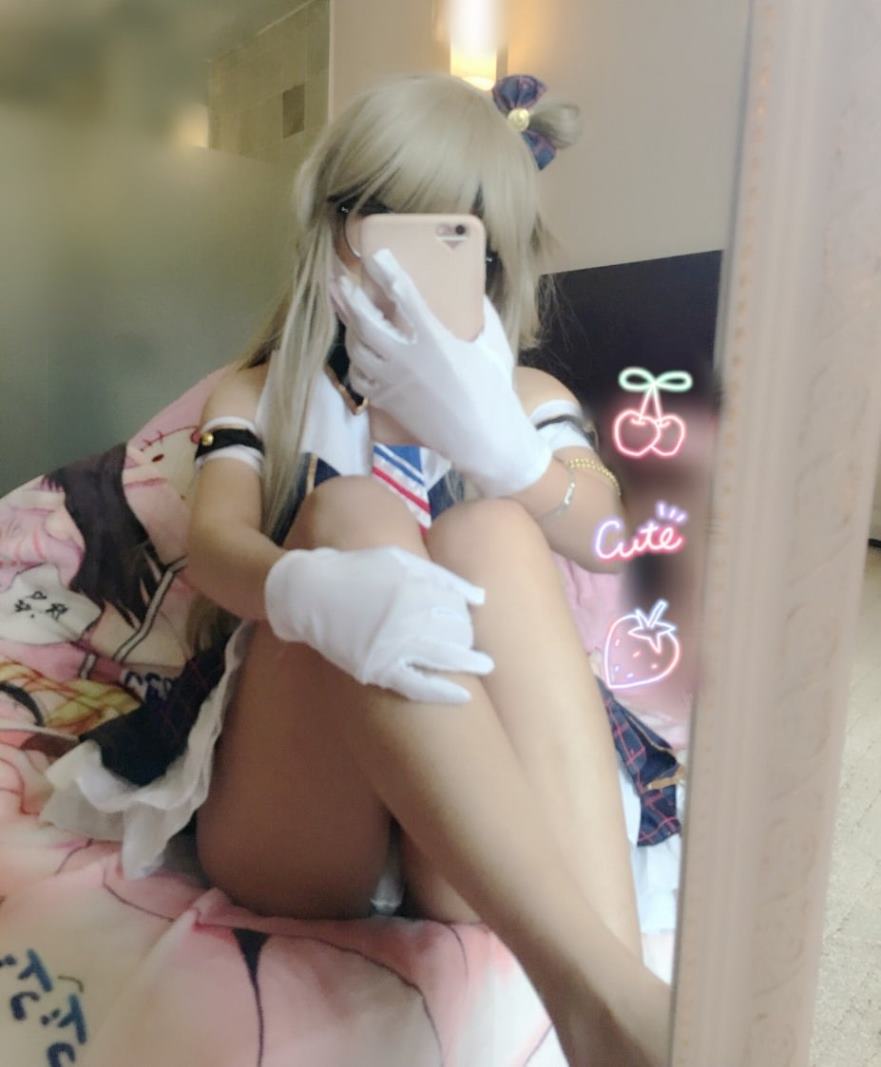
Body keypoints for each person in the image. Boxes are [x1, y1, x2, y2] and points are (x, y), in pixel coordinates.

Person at [42, 72, 676, 1065]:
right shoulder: (261, 392)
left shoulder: (524, 395)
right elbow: (216, 542)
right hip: (301, 815)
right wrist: (300, 589)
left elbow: (607, 536)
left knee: (492, 533)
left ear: (493, 253)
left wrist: (505, 453)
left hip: (475, 844)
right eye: (375, 218)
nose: (399, 261)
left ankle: (613, 999)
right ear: (327, 227)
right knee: (352, 511)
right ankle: (614, 1001)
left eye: (447, 233)